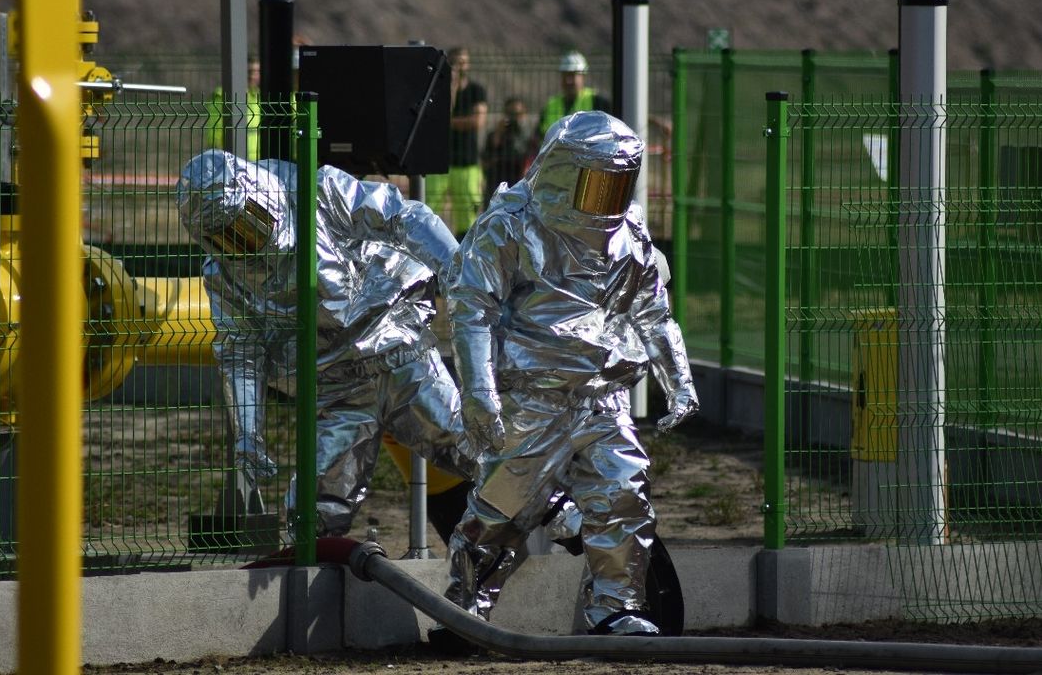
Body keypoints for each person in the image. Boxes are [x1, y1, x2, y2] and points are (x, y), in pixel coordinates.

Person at [438, 111, 699, 639]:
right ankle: (465, 606)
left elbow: (653, 312)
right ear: (563, 173)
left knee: (622, 498)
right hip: (533, 402)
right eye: (597, 183)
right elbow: (471, 309)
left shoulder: (630, 234)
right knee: (501, 512)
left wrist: (680, 381)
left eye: (617, 185)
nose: (607, 198)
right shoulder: (511, 223)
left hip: (604, 399)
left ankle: (617, 609)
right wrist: (481, 393)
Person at [176, 149, 477, 538]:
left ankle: (566, 517)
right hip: (337, 390)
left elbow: (404, 217)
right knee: (312, 512)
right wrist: (248, 435)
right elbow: (240, 350)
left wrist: (458, 272)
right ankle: (313, 582)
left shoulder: (318, 193)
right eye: (226, 238)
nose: (243, 242)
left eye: (246, 224)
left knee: (473, 450)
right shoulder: (223, 274)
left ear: (260, 197)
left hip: (397, 353)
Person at [425, 46, 488, 239]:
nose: (459, 66)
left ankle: (463, 255)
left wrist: (448, 123)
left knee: (467, 217)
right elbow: (435, 118)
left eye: (463, 62)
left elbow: (477, 121)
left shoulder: (476, 90)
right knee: (428, 211)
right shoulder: (437, 89)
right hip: (440, 163)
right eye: (454, 62)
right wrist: (451, 87)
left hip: (466, 164)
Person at [532, 50, 611, 151]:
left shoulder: (597, 102)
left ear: (583, 76)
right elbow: (539, 137)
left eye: (573, 75)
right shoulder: (551, 105)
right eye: (565, 75)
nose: (568, 81)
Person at [205, 57, 261, 161]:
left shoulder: (258, 97)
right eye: (249, 71)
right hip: (230, 160)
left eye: (257, 72)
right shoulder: (223, 96)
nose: (253, 76)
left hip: (257, 161)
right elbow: (215, 129)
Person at [480, 96, 530, 208]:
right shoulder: (496, 134)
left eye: (518, 114)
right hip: (496, 183)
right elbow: (486, 158)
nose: (514, 118)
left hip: (518, 183)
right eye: (510, 113)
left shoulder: (527, 137)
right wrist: (499, 132)